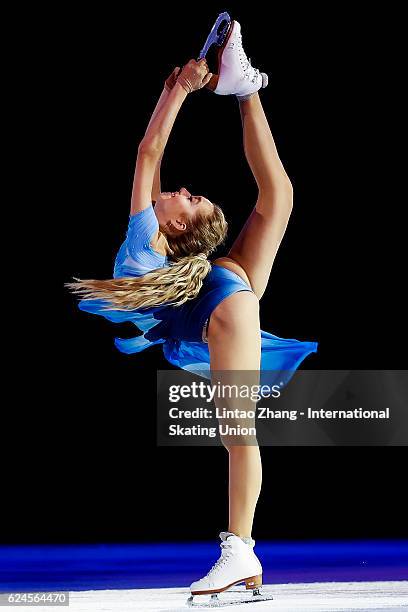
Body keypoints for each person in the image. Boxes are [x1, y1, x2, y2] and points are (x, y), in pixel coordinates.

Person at [69, 20, 317, 599]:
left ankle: (239, 550)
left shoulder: (145, 240)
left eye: (187, 195)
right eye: (188, 194)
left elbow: (148, 151)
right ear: (178, 226)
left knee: (240, 434)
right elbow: (150, 154)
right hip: (222, 301)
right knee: (278, 198)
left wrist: (179, 89)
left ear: (175, 225)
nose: (180, 189)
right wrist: (176, 89)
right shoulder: (148, 239)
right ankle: (244, 88)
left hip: (221, 307)